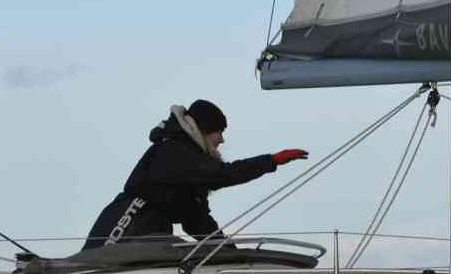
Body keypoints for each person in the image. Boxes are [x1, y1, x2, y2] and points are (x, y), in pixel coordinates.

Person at [83, 100, 308, 250]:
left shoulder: (188, 166)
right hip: (126, 225)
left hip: (149, 231)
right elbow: (224, 174)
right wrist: (272, 160)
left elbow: (197, 221)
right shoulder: (174, 151)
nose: (222, 140)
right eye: (220, 132)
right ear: (205, 129)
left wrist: (228, 253)